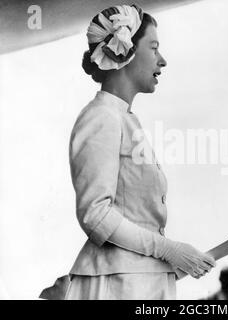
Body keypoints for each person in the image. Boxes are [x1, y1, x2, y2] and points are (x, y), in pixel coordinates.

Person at [63, 4, 215, 300]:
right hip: (116, 287)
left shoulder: (123, 118)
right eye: (154, 48)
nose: (163, 60)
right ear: (127, 52)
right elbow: (95, 214)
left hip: (138, 284)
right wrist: (167, 250)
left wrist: (166, 261)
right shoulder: (102, 117)